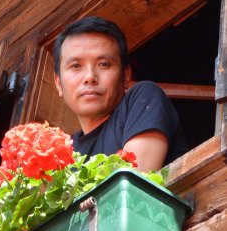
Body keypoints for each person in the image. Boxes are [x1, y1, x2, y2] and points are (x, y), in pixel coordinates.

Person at [53, 16, 188, 172]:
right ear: (58, 83)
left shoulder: (144, 98)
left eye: (103, 64)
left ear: (125, 76)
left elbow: (131, 188)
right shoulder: (67, 152)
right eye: (76, 66)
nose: (90, 77)